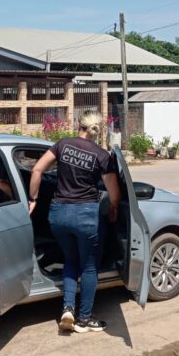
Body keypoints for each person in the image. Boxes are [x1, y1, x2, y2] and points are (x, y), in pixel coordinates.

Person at [28, 110, 120, 333]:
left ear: (79, 124)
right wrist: (114, 208)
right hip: (85, 215)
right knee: (88, 266)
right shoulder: (101, 155)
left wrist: (33, 199)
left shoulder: (62, 144)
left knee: (70, 259)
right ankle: (84, 318)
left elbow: (37, 169)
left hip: (58, 214)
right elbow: (113, 192)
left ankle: (68, 308)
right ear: (98, 129)